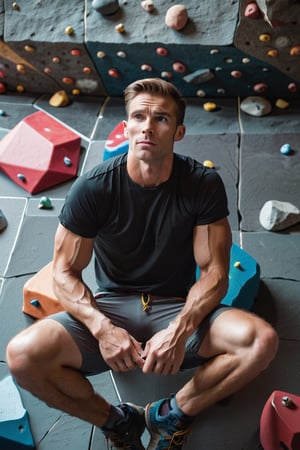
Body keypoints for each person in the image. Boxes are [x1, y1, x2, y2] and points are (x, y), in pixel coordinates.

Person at [6, 78, 278, 450]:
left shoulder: (202, 184)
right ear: (127, 127)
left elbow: (215, 272)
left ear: (178, 131)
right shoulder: (94, 188)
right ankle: (117, 421)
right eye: (139, 116)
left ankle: (171, 414)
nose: (148, 126)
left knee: (261, 342)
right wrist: (102, 329)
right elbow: (64, 272)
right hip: (112, 303)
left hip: (176, 304)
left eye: (161, 119)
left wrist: (181, 329)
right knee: (22, 357)